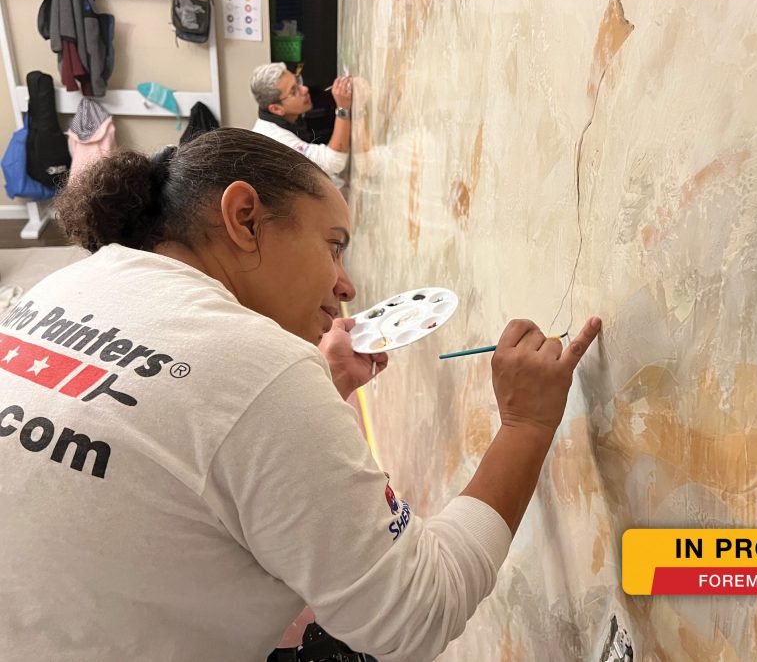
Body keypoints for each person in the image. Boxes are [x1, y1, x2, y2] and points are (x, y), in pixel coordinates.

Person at [0, 128, 602, 662]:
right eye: (334, 244)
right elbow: (417, 613)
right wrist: (526, 424)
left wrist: (316, 386)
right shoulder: (258, 365)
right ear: (245, 218)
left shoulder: (66, 284)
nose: (346, 284)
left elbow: (169, 431)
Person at [250, 62, 353, 184]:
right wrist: (343, 108)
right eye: (293, 91)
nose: (304, 89)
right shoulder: (277, 141)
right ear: (276, 109)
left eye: (298, 81)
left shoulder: (286, 117)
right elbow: (333, 162)